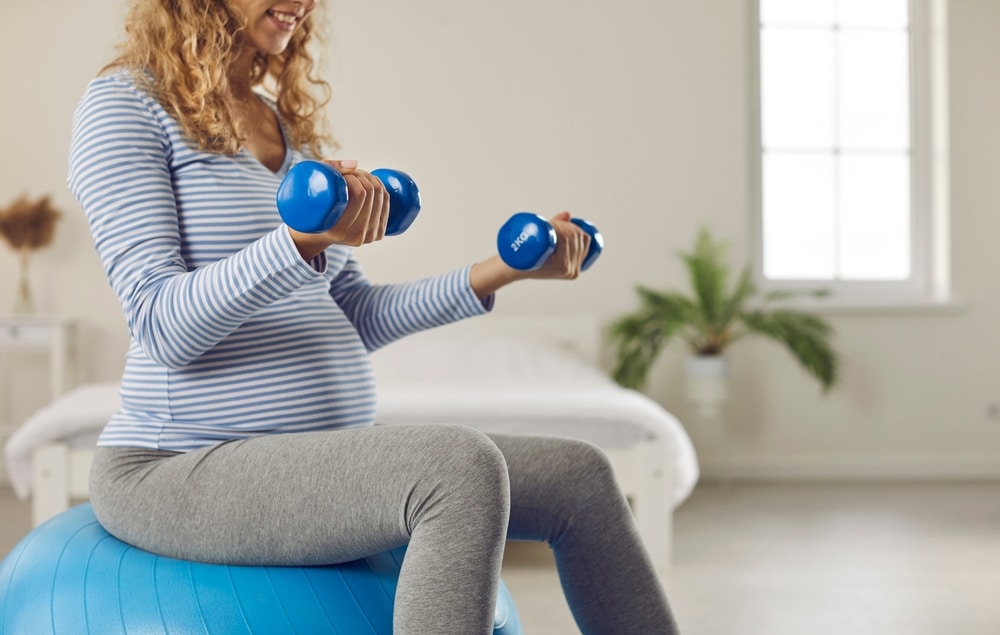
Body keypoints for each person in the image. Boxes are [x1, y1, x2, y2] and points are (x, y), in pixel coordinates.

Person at [67, 1, 679, 633]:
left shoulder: (284, 125)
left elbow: (355, 314)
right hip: (178, 465)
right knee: (454, 467)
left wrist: (503, 269)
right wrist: (298, 242)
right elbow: (161, 325)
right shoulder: (124, 106)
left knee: (579, 476)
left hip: (303, 453)